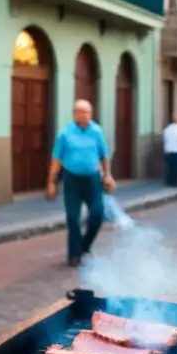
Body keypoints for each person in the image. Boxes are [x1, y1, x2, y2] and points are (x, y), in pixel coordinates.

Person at [47, 100, 116, 266]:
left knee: (97, 215)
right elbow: (56, 159)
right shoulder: (65, 134)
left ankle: (84, 247)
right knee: (73, 219)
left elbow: (104, 156)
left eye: (87, 112)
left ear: (91, 114)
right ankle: (74, 256)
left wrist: (108, 175)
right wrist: (51, 182)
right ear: (74, 114)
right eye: (80, 112)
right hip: (72, 180)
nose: (84, 115)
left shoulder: (97, 132)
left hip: (93, 179)